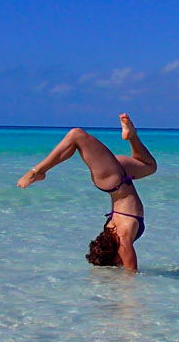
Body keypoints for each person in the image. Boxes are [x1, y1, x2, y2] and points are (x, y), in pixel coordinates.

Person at [17, 114, 156, 271]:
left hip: (113, 179)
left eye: (117, 261)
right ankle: (132, 136)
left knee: (77, 135)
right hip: (121, 177)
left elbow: (131, 273)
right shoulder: (113, 235)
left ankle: (38, 171)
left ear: (114, 255)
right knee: (149, 166)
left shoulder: (122, 240)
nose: (120, 262)